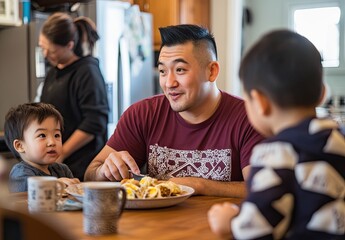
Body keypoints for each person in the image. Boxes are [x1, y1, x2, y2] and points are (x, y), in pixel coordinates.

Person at [84, 24, 264, 197]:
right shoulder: (142, 114)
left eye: (180, 70)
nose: (169, 83)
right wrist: (104, 171)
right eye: (162, 71)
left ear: (212, 71)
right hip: (154, 226)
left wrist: (199, 185)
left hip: (220, 226)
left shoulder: (249, 118)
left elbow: (262, 189)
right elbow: (90, 174)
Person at [207, 30, 345, 239]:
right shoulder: (339, 138)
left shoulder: (275, 152)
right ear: (322, 94)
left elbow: (258, 228)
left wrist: (230, 222)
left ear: (260, 103)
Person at [38, 12, 109, 181]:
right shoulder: (53, 72)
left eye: (51, 49)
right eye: (42, 47)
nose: (45, 54)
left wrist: (62, 152)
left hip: (82, 166)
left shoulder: (87, 72)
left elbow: (94, 122)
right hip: (58, 164)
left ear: (69, 45)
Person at [4, 103, 80, 192]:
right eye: (42, 135)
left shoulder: (62, 170)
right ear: (20, 146)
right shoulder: (20, 173)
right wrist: (56, 184)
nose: (52, 142)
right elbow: (31, 191)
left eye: (56, 135)